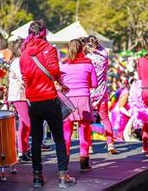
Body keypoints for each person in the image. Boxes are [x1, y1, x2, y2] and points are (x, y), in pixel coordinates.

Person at [20, 20, 76, 188]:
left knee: (36, 140)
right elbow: (53, 70)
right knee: (58, 139)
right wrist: (61, 82)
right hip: (49, 99)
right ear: (44, 33)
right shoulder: (49, 49)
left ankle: (37, 178)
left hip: (33, 101)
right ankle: (62, 177)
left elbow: (24, 76)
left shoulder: (24, 53)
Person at [61, 39, 97, 171]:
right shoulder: (88, 64)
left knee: (66, 131)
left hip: (68, 99)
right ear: (82, 49)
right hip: (83, 98)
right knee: (84, 130)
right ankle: (84, 162)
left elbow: (59, 83)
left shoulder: (63, 66)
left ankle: (64, 163)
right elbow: (94, 84)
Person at [84, 35, 118, 154]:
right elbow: (99, 47)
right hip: (102, 91)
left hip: (88, 91)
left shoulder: (87, 57)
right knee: (105, 118)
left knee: (87, 120)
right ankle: (110, 144)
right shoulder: (104, 54)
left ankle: (89, 146)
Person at [8, 38, 31, 162]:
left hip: (24, 95)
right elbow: (23, 78)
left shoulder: (23, 60)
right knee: (27, 122)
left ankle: (24, 150)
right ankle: (21, 150)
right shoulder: (17, 61)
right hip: (18, 95)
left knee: (24, 123)